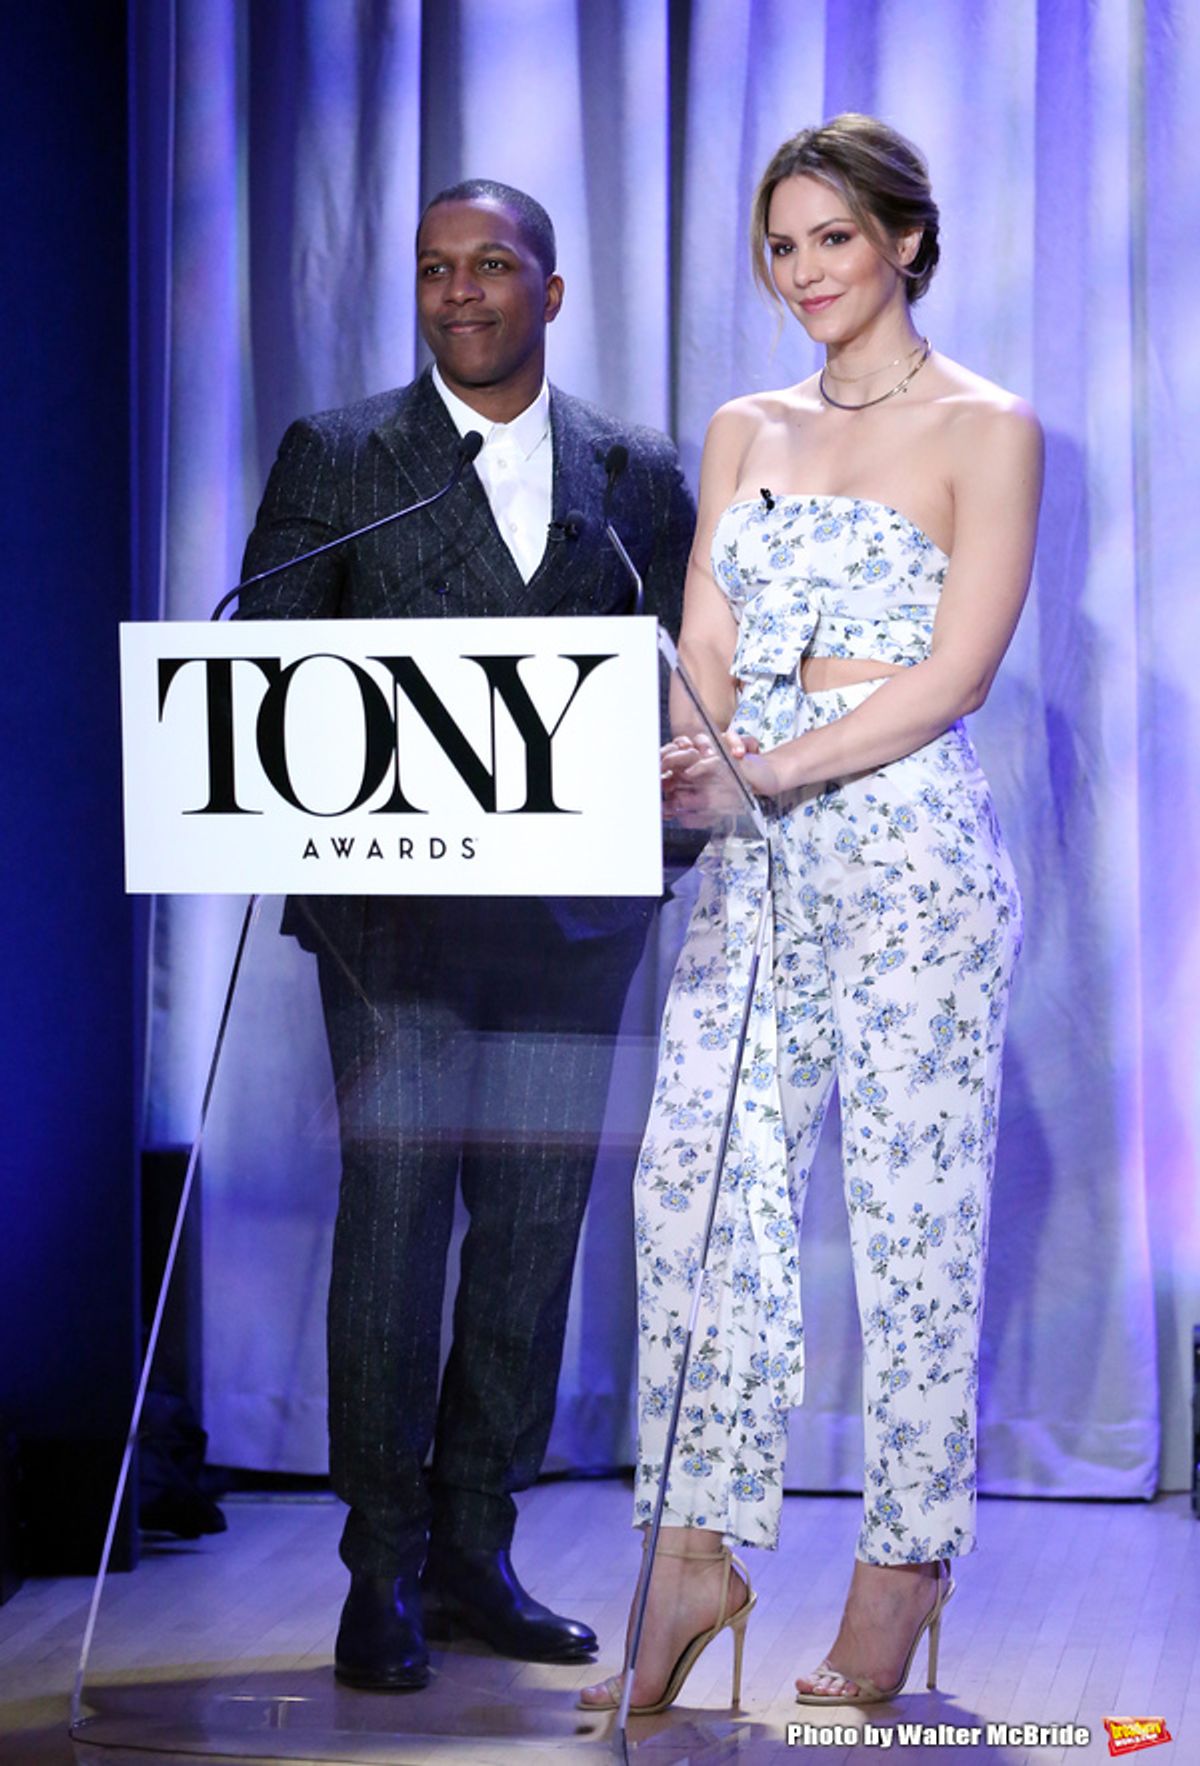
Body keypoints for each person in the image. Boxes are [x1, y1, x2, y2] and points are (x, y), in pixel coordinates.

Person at [581, 114, 1042, 1715]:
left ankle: (903, 1565)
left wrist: (766, 768)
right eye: (783, 246)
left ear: (906, 240)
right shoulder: (741, 427)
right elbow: (704, 649)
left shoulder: (990, 427)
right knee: (697, 1200)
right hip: (754, 865)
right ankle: (693, 1549)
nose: (805, 273)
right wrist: (691, 765)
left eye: (834, 238)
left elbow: (957, 673)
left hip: (909, 857)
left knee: (915, 1233)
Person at [238, 179, 695, 1691]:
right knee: (392, 1225)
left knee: (530, 1238)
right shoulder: (346, 453)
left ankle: (477, 1548)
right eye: (436, 270)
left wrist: (672, 835)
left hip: (573, 929)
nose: (459, 294)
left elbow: (688, 690)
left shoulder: (635, 469)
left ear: (550, 293)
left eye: (491, 266)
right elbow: (263, 669)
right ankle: (381, 1571)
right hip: (397, 928)